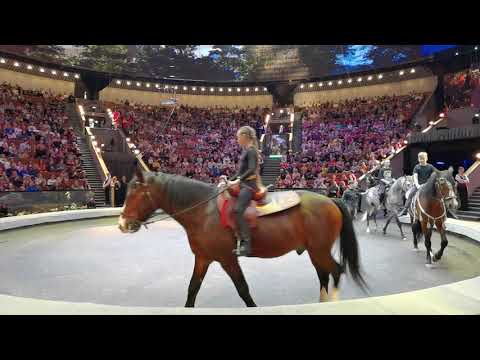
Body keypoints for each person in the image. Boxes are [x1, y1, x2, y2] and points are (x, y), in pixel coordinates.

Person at [228, 126, 262, 257]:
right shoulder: (246, 151)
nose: (237, 139)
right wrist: (227, 181)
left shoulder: (251, 151)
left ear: (244, 136)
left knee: (238, 210)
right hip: (243, 183)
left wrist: (237, 181)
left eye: (238, 137)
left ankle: (246, 245)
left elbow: (252, 169)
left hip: (249, 186)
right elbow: (239, 173)